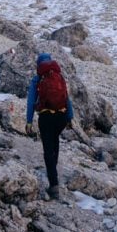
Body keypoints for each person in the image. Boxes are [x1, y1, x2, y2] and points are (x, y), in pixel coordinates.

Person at [25, 52, 73, 199]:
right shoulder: (60, 77)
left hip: (46, 117)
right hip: (62, 116)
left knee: (47, 148)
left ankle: (54, 185)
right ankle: (53, 167)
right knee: (55, 139)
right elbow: (67, 99)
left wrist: (28, 121)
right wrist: (70, 118)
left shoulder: (37, 79)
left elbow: (31, 102)